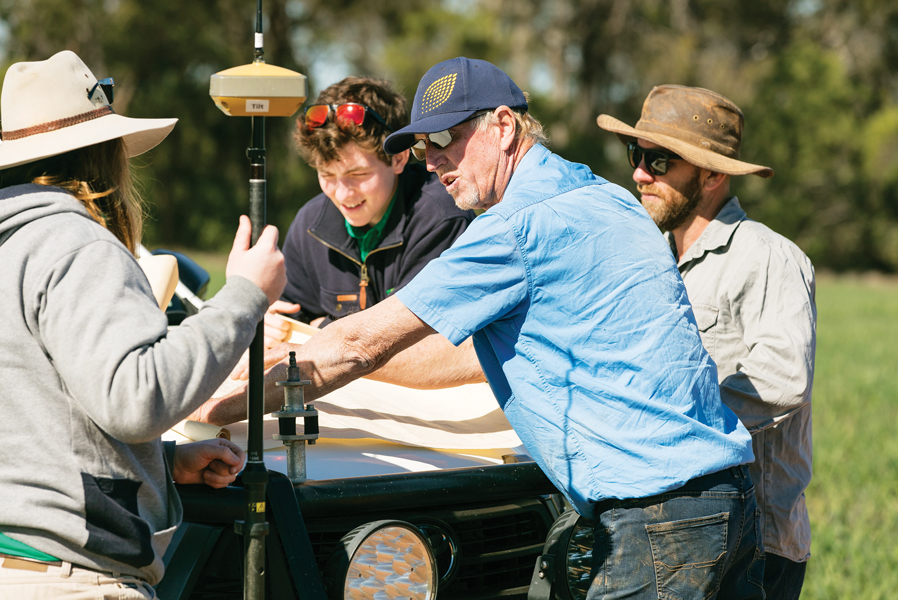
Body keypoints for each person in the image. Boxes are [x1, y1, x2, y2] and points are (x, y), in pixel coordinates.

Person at [205, 57, 766, 598]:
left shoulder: (512, 228)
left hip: (656, 514)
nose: (432, 162)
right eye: (423, 147)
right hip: (729, 496)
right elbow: (464, 353)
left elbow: (358, 345)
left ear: (502, 127)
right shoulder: (610, 198)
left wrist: (218, 405)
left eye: (446, 140)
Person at [0, 51, 286, 598]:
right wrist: (246, 296)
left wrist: (164, 464)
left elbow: (35, 418)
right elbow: (137, 399)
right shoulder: (75, 243)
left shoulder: (14, 245)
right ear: (105, 155)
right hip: (74, 577)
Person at [598, 84, 815, 600]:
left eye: (659, 160)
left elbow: (783, 378)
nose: (639, 173)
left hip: (756, 542)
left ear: (713, 174)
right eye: (636, 154)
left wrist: (667, 424)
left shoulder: (766, 256)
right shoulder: (648, 261)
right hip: (674, 534)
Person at [263, 76, 475, 347]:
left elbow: (414, 335)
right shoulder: (309, 224)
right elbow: (290, 314)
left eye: (358, 174)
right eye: (327, 175)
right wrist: (272, 324)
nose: (342, 194)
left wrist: (325, 329)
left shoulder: (440, 217)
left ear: (398, 158)